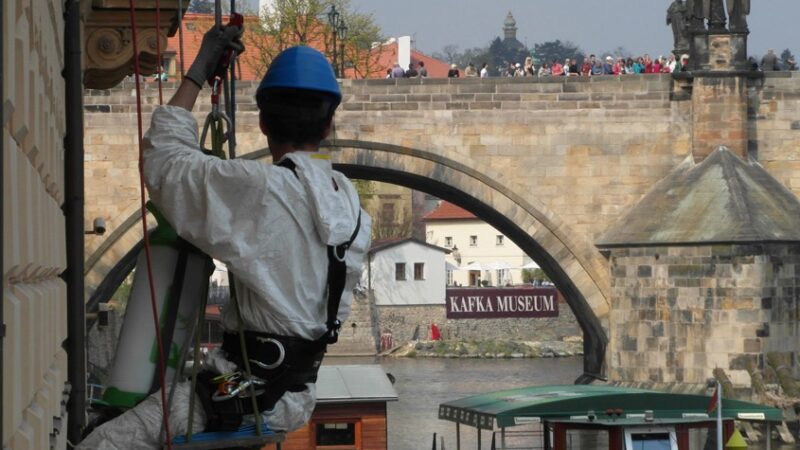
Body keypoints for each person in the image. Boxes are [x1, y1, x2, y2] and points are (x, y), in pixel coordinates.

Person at [77, 23, 371, 449]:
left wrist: (198, 69)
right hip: (292, 393)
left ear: (264, 124)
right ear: (328, 127)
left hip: (242, 389)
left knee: (106, 442)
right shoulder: (353, 208)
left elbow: (164, 160)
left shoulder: (260, 190)